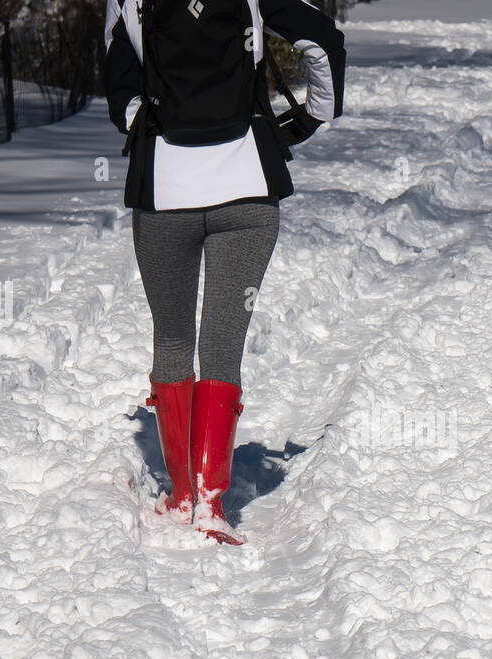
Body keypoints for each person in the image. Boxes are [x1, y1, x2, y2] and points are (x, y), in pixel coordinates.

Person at [103, 0, 345, 544]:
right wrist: (310, 117)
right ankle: (212, 503)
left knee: (171, 340)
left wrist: (143, 123)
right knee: (222, 346)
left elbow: (119, 78)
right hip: (249, 189)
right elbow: (323, 41)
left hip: (164, 190)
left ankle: (182, 494)